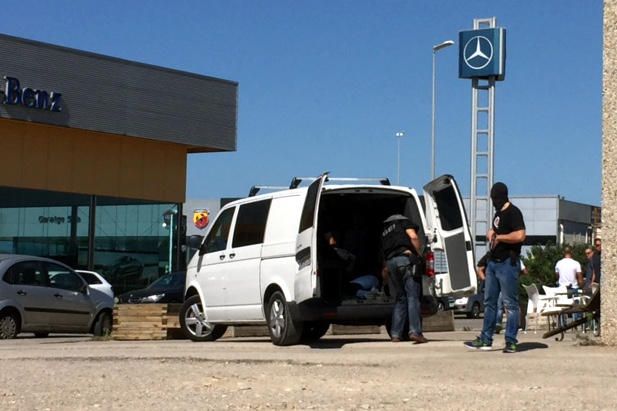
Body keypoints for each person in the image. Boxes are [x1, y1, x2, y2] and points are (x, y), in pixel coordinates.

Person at [465, 182, 526, 353]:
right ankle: (485, 339)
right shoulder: (498, 214)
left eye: (495, 199)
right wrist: (491, 232)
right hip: (493, 262)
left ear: (501, 197)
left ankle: (511, 341)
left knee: (510, 304)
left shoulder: (514, 212)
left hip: (508, 263)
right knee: (489, 302)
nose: (493, 202)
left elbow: (520, 235)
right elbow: (497, 231)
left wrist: (500, 237)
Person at [381, 214, 427, 344]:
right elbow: (413, 236)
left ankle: (395, 334)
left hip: (391, 264)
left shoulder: (385, 231)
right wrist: (418, 254)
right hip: (404, 260)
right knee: (413, 297)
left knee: (400, 298)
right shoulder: (404, 222)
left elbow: (383, 254)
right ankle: (415, 332)